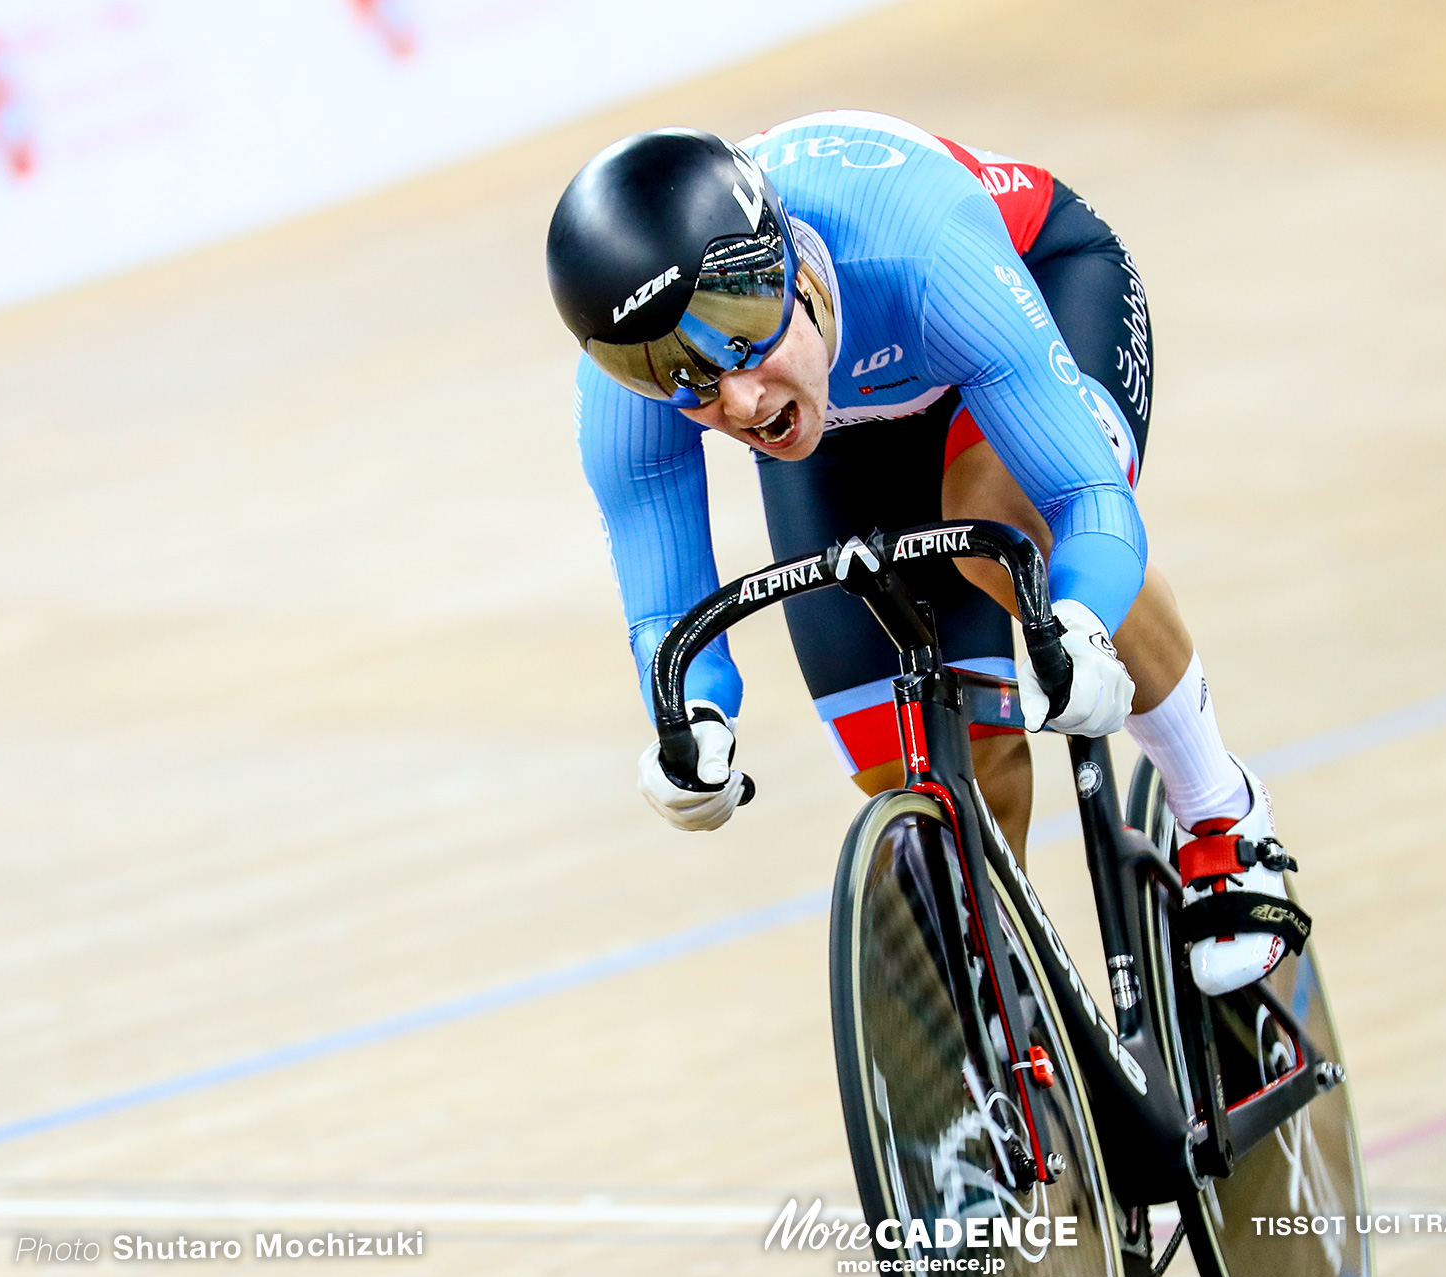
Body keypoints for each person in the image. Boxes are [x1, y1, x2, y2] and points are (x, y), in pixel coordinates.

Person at [547, 111, 1299, 995]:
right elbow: (666, 614)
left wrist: (1083, 621)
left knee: (1003, 524)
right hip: (843, 419)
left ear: (790, 263)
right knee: (929, 781)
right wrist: (693, 723)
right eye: (686, 378)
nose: (742, 399)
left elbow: (1084, 499)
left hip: (1026, 295)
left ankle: (1224, 814)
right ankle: (1013, 1048)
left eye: (743, 333)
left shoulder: (918, 253)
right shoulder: (628, 392)